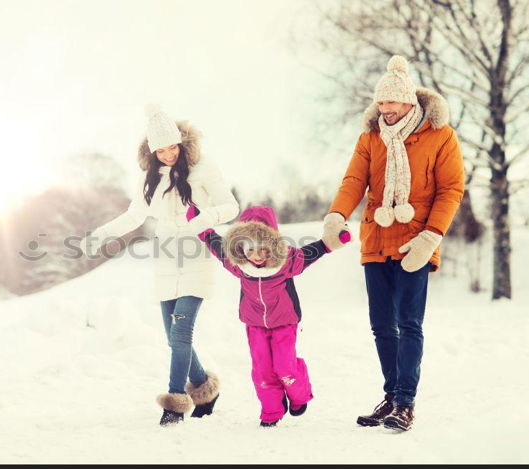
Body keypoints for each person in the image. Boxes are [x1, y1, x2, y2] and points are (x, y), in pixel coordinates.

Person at [323, 55, 465, 431]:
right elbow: (354, 181)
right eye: (381, 102)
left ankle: (405, 402)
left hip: (416, 241)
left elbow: (451, 189)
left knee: (409, 323)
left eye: (392, 102)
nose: (385, 109)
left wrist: (431, 235)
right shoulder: (370, 137)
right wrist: (337, 215)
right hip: (376, 238)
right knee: (382, 325)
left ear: (409, 102)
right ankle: (390, 396)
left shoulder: (440, 135)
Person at [80, 106, 239, 426]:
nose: (168, 155)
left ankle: (174, 403)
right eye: (161, 150)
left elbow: (230, 206)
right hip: (166, 255)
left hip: (197, 253)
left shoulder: (203, 167)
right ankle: (206, 390)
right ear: (152, 151)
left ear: (181, 144)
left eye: (172, 147)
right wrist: (101, 235)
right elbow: (135, 216)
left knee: (182, 333)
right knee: (173, 337)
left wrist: (208, 217)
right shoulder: (148, 178)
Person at [188, 204, 348, 426]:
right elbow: (215, 243)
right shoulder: (238, 265)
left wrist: (331, 241)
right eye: (249, 249)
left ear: (272, 245)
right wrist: (201, 225)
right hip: (254, 324)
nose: (256, 256)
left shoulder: (286, 261)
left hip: (285, 322)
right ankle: (272, 410)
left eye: (262, 249)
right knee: (262, 370)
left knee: (285, 367)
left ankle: (299, 396)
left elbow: (313, 251)